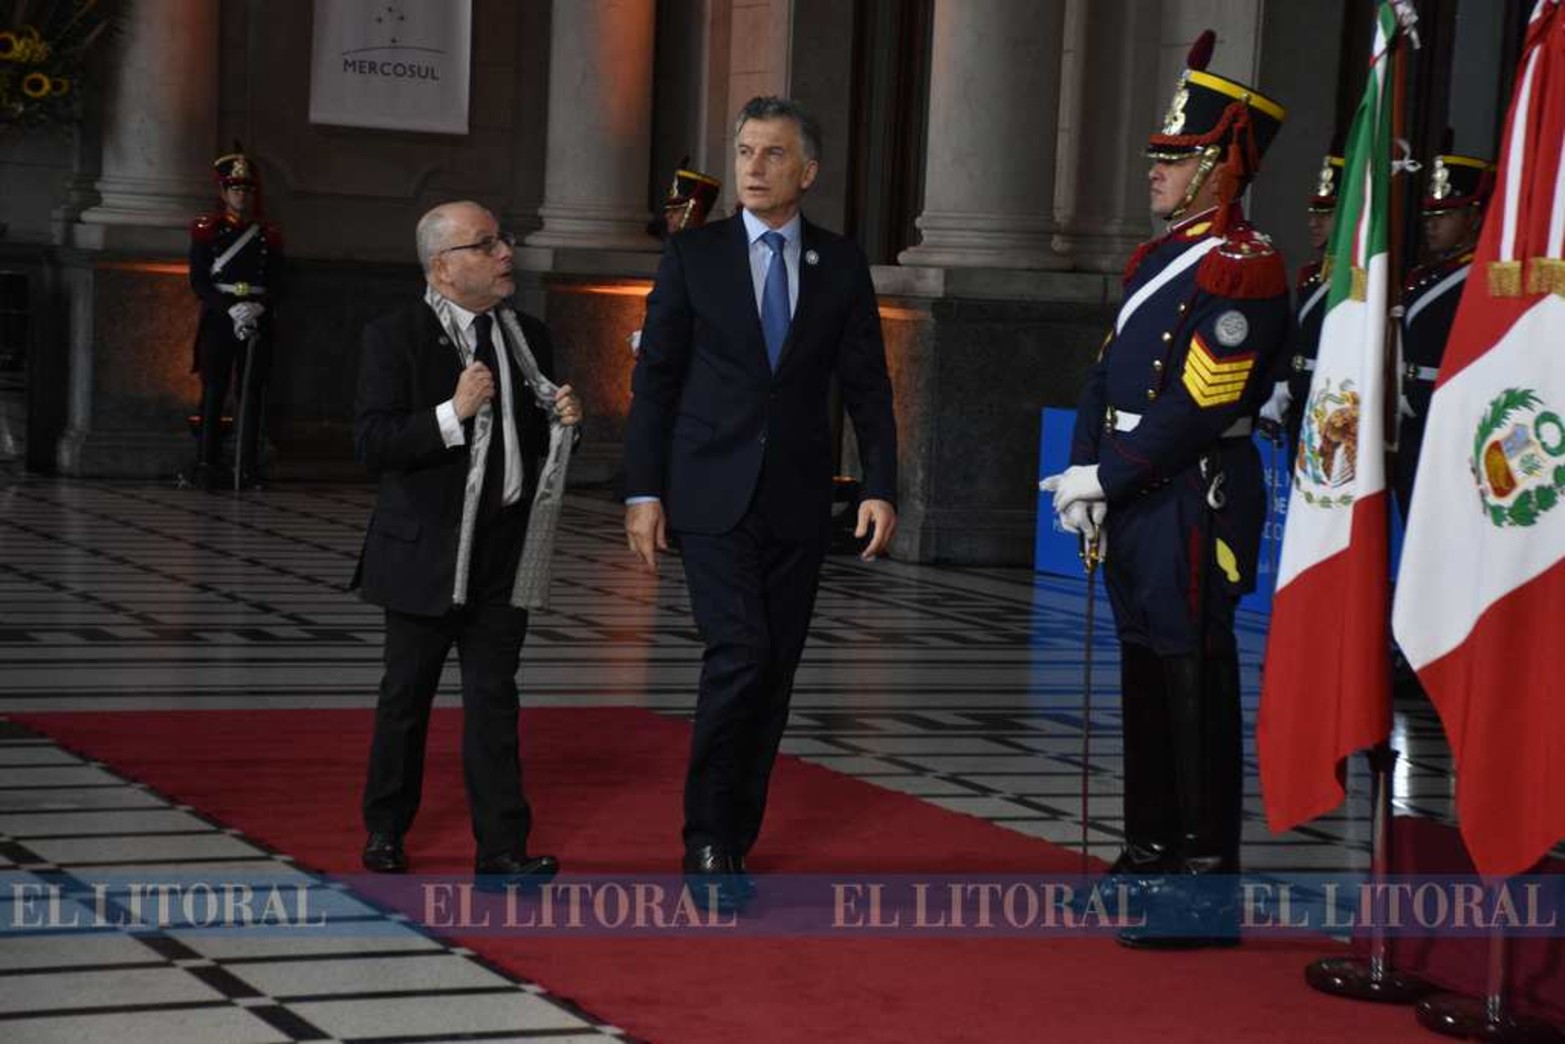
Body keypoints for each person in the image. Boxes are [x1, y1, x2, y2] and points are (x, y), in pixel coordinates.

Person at [1042, 30, 1289, 948]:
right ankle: (1146, 852)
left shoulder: (1243, 265)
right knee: (1144, 676)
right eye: (1155, 154)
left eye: (1174, 156)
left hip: (1191, 498)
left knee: (1194, 685)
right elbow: (1105, 375)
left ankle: (1202, 882)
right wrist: (1083, 471)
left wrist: (1107, 474)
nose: (1154, 168)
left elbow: (1198, 402)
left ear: (1220, 166)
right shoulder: (1158, 259)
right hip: (1137, 497)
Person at [623, 96, 898, 910]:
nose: (751, 167)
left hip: (799, 500)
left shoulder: (840, 265)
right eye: (744, 150)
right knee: (737, 653)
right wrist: (643, 490)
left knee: (773, 670)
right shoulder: (692, 256)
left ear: (806, 172)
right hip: (708, 492)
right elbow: (655, 383)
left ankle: (735, 834)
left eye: (772, 154)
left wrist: (879, 484)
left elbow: (866, 387)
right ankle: (705, 837)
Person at [352, 201, 583, 887]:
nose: (506, 253)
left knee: (494, 699)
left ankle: (502, 848)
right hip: (425, 548)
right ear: (444, 269)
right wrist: (451, 414)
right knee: (406, 698)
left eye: (501, 240)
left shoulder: (528, 337)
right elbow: (373, 443)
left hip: (501, 550)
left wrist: (568, 422)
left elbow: (529, 440)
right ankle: (386, 830)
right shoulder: (394, 336)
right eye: (486, 245)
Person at [1395, 151, 1493, 520]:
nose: (1432, 226)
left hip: (1454, 417)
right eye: (1429, 217)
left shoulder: (1482, 278)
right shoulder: (1421, 276)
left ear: (1473, 218)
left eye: (1446, 215)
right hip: (1411, 417)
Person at [187, 144, 285, 491]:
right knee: (214, 391)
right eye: (235, 189)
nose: (241, 196)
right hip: (220, 317)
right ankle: (207, 463)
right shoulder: (207, 230)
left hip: (257, 317)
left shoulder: (267, 234)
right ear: (223, 192)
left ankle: (246, 467)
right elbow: (199, 279)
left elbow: (277, 280)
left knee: (252, 393)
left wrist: (258, 307)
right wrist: (230, 309)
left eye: (246, 190)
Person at [1259, 149, 1342, 461]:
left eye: (1325, 215)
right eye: (1313, 213)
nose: (1313, 223)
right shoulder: (1312, 274)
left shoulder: (1360, 278)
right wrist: (1281, 388)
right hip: (1299, 395)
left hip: (1333, 402)